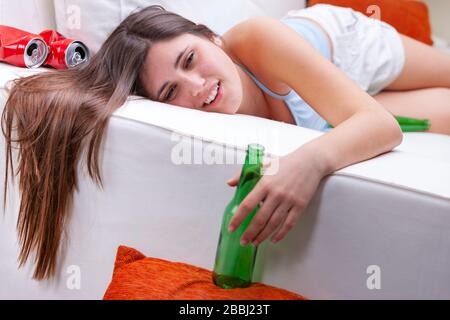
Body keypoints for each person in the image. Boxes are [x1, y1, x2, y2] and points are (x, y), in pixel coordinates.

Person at [2, 4, 450, 280]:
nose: (196, 86)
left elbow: (380, 128)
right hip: (336, 103)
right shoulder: (209, 121)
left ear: (212, 37)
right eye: (170, 92)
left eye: (191, 59)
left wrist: (307, 163)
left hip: (348, 49)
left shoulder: (259, 38)